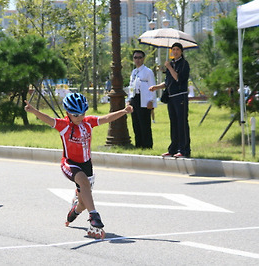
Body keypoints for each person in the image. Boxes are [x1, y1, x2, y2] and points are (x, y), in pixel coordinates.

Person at [24, 93, 133, 239]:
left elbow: (106, 118)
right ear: (68, 113)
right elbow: (48, 119)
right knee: (83, 181)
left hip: (87, 164)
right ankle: (94, 217)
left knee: (83, 203)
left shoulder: (89, 122)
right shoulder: (63, 126)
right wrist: (34, 111)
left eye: (82, 113)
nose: (80, 117)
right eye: (76, 115)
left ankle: (74, 212)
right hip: (70, 163)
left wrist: (123, 111)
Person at [149, 42, 191, 158]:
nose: (175, 51)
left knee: (182, 123)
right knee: (174, 124)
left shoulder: (183, 64)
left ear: (181, 51)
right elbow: (168, 82)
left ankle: (184, 150)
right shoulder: (171, 63)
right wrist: (156, 87)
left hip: (180, 96)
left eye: (177, 49)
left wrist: (168, 67)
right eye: (173, 49)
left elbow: (177, 78)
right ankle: (173, 149)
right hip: (171, 98)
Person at [128, 50, 157, 149]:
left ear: (143, 59)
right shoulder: (134, 72)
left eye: (140, 57)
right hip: (134, 98)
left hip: (144, 99)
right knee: (136, 123)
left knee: (144, 124)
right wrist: (129, 100)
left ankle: (147, 145)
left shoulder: (148, 72)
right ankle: (138, 145)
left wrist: (151, 101)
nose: (138, 60)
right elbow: (131, 86)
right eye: (135, 58)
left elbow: (152, 86)